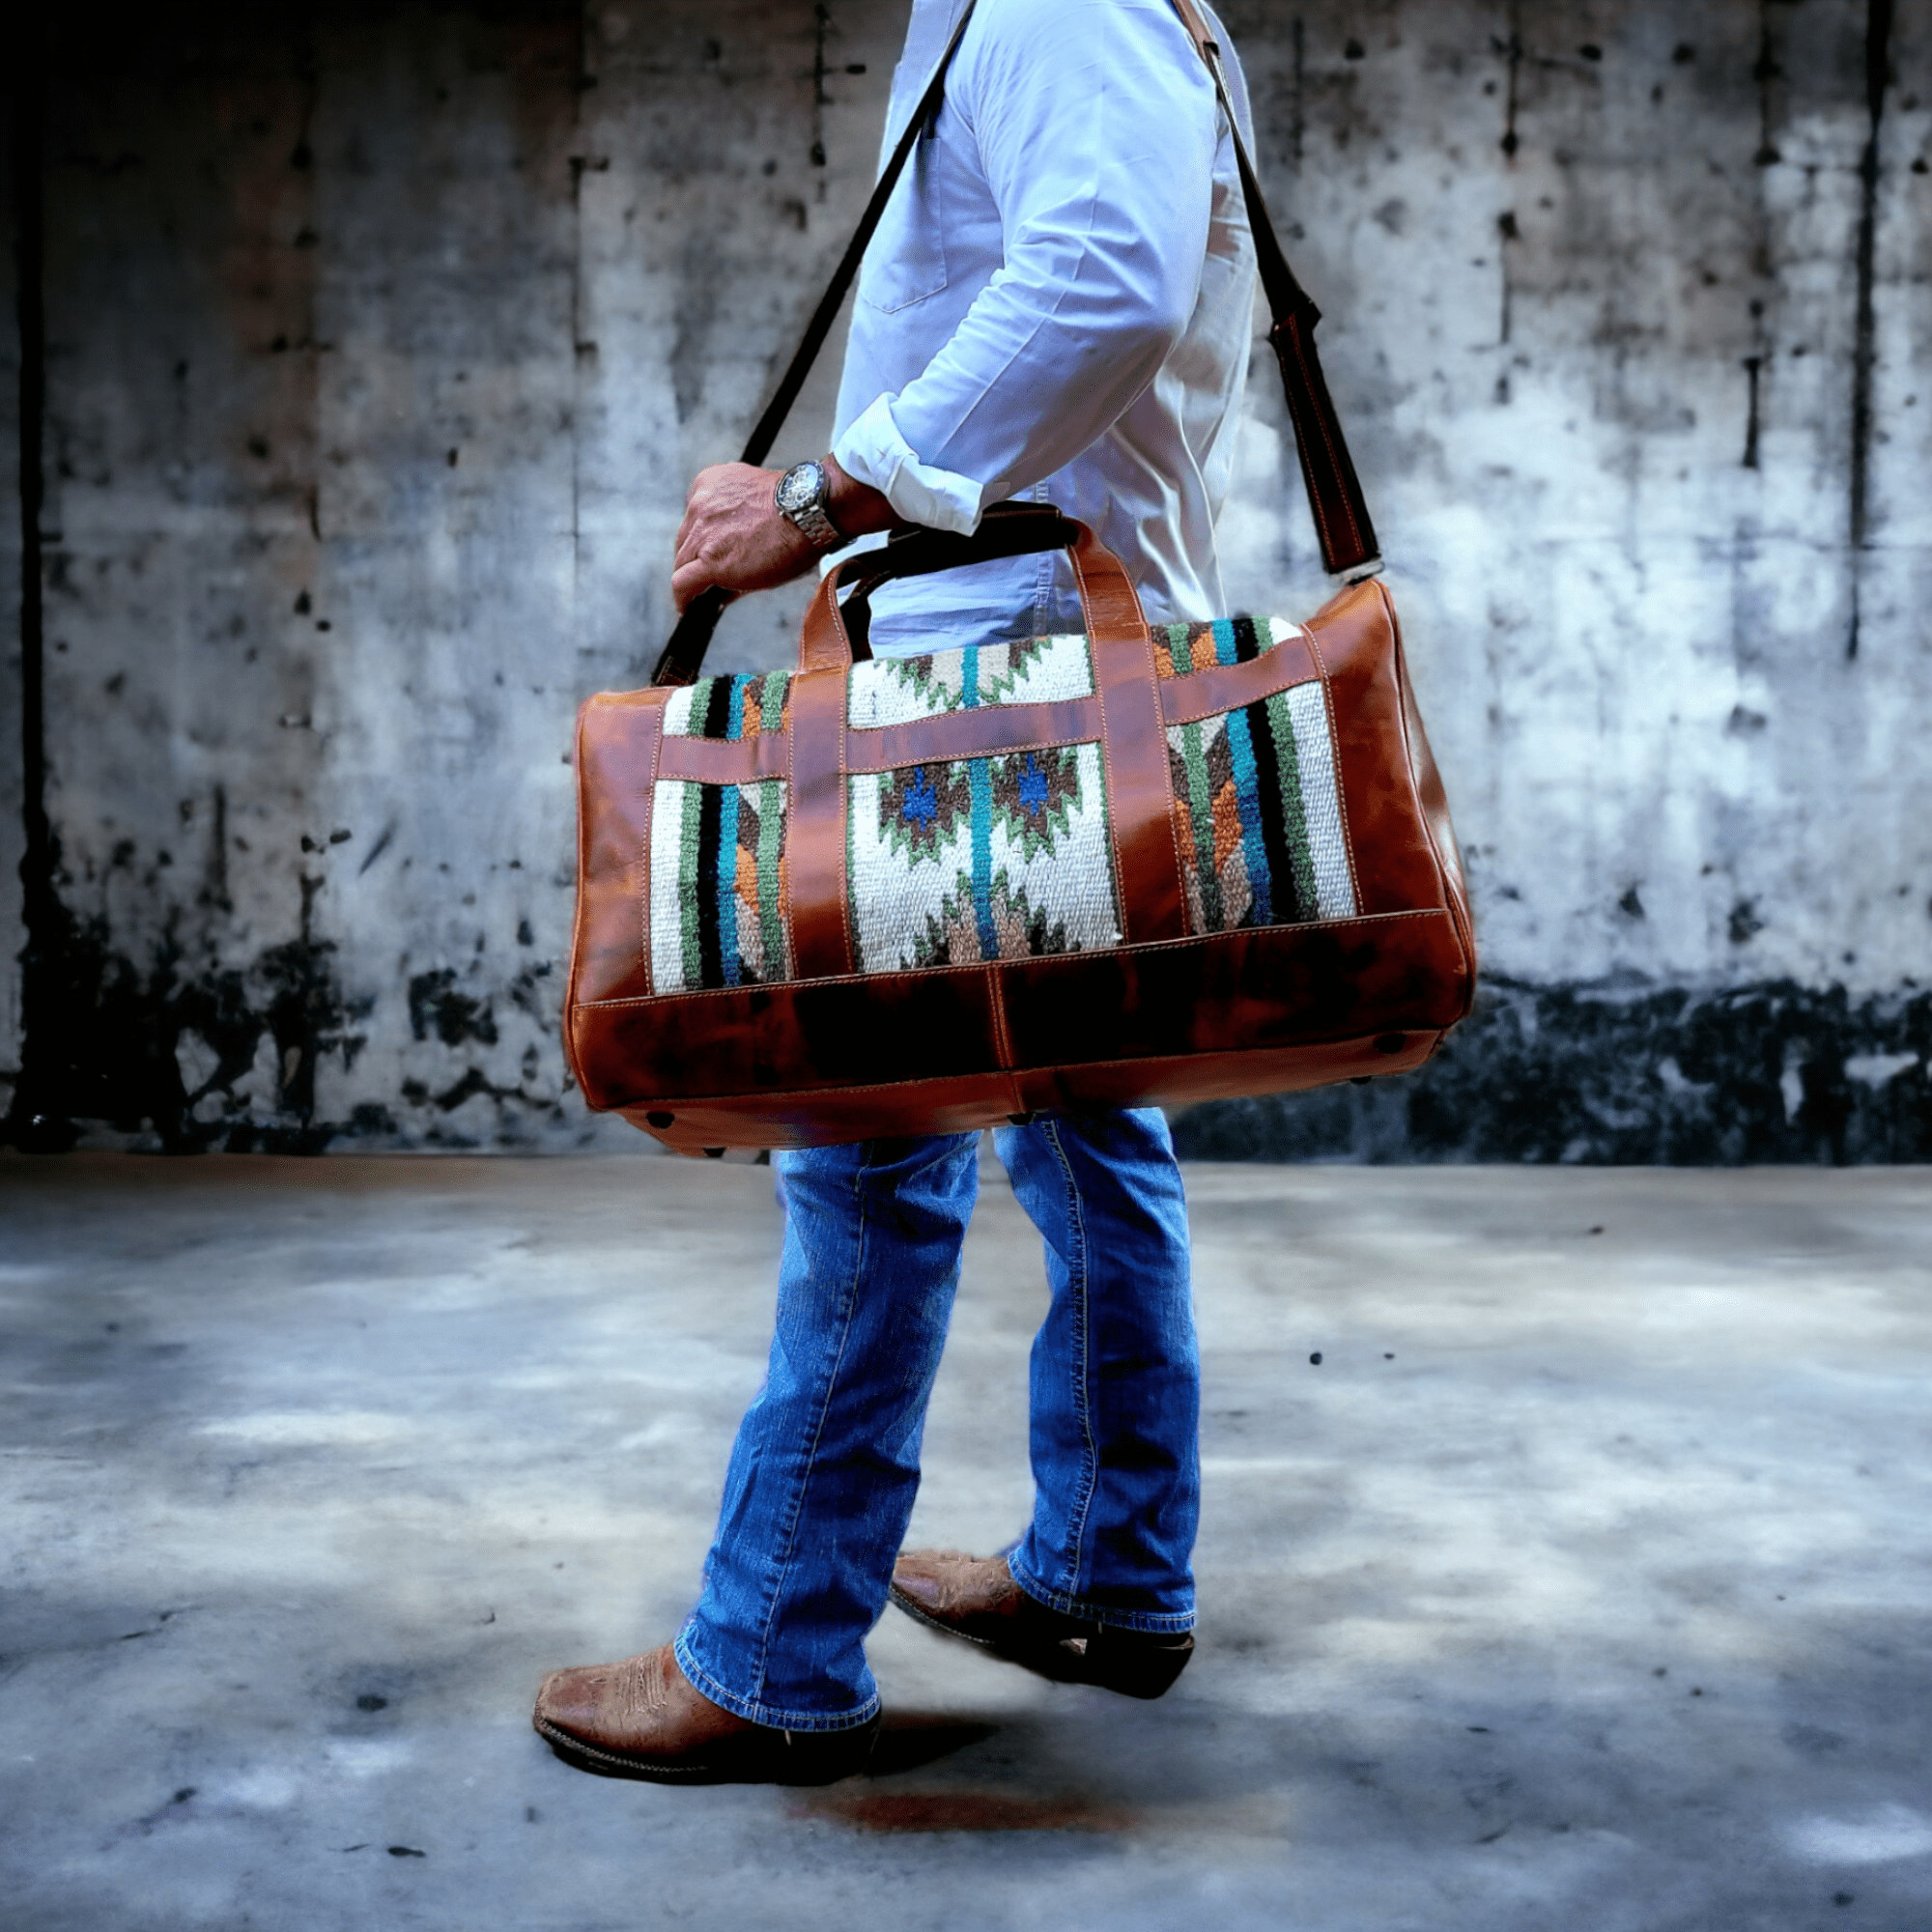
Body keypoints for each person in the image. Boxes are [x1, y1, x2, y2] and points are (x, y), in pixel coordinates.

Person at [533, 0, 1257, 1784]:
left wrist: (824, 495)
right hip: (1034, 649)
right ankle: (1110, 1570)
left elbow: (1104, 281)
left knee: (862, 1137)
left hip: (992, 675)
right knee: (1092, 1120)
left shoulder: (1057, 1)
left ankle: (776, 1650)